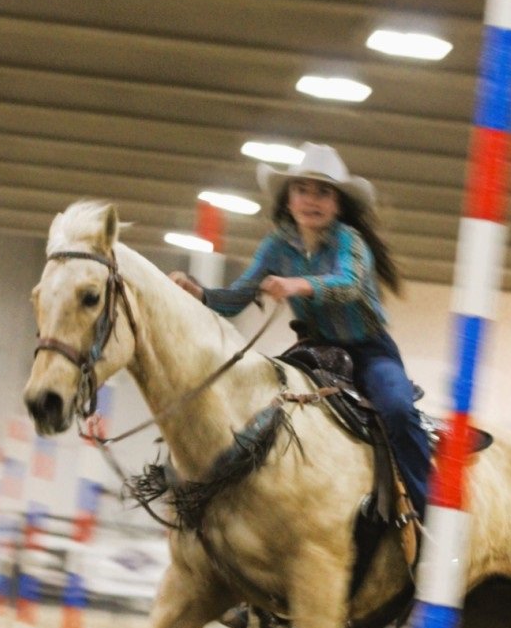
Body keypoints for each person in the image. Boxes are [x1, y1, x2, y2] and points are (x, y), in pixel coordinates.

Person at [170, 142, 431, 521]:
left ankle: (429, 509)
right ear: (289, 200)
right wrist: (200, 293)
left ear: (337, 204)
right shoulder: (276, 246)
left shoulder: (349, 241)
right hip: (315, 351)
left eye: (323, 192)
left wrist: (298, 285)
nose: (312, 199)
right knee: (263, 402)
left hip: (369, 350)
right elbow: (238, 297)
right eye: (302, 190)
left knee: (397, 409)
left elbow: (350, 283)